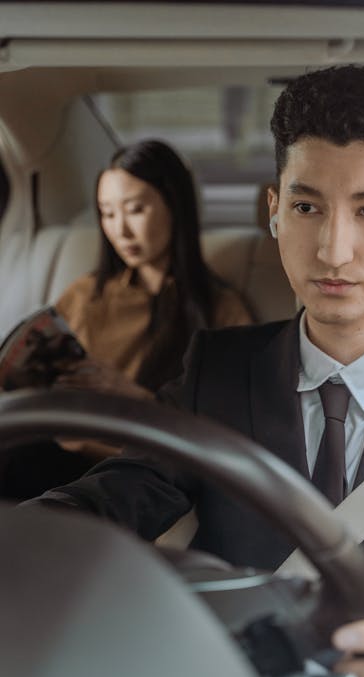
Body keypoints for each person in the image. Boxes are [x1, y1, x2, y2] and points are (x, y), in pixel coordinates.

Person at [30, 66, 364, 677]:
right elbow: (115, 496)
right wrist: (29, 536)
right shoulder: (217, 369)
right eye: (308, 208)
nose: (333, 250)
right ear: (274, 209)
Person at [1, 139, 252, 496]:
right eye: (107, 213)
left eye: (135, 210)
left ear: (174, 205)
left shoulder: (222, 310)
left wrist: (130, 393)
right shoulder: (88, 293)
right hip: (52, 439)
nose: (121, 230)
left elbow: (223, 431)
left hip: (129, 463)